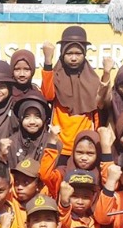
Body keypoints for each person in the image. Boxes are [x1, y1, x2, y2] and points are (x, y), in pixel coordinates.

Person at [42, 27, 109, 161]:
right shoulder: (56, 75)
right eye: (69, 53)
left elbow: (101, 104)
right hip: (59, 145)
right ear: (62, 53)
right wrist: (48, 61)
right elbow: (47, 95)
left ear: (84, 54)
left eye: (78, 53)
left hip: (85, 149)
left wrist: (106, 74)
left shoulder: (92, 79)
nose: (73, 58)